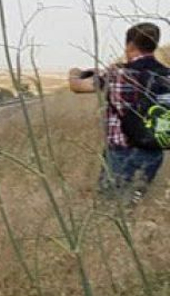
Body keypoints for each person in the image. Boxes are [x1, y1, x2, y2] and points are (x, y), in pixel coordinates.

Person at [69, 22, 168, 200]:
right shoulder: (166, 75)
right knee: (135, 205)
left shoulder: (119, 74)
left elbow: (78, 86)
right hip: (155, 151)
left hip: (122, 153)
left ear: (130, 45)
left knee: (111, 209)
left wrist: (74, 73)